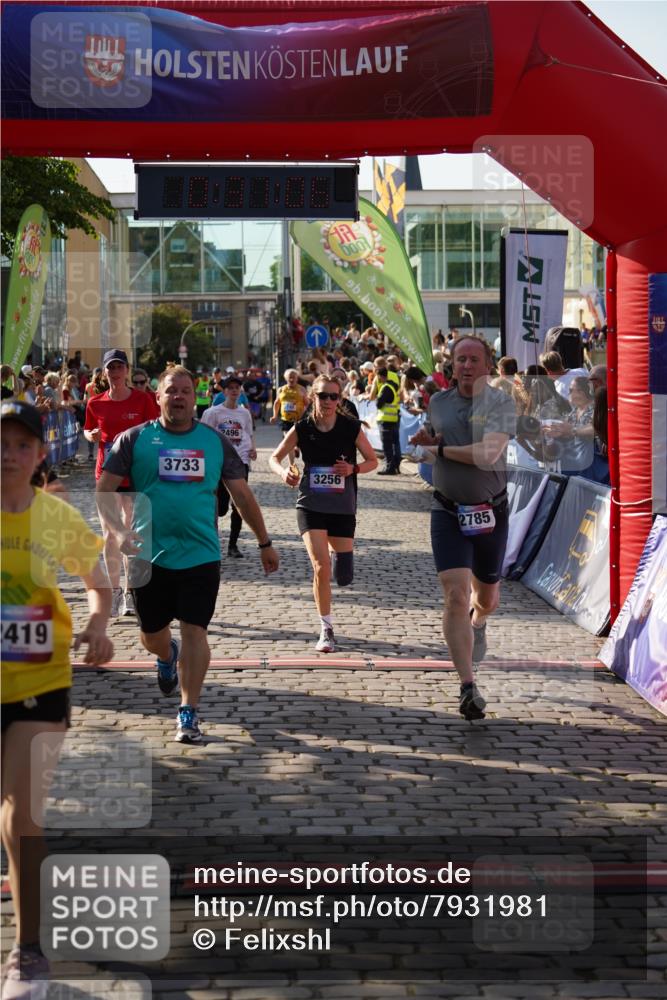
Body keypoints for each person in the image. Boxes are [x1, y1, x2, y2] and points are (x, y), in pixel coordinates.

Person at [96, 365, 279, 744]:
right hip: (147, 556)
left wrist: (264, 542)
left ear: (194, 397)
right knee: (151, 635)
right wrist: (119, 531)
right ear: (158, 397)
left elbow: (242, 495)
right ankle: (166, 655)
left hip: (201, 553)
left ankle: (189, 709)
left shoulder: (214, 442)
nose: (178, 397)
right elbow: (104, 490)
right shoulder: (134, 440)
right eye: (170, 391)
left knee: (196, 630)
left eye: (185, 390)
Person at [1, 400, 113, 998]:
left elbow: (99, 585)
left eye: (22, 445)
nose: (9, 454)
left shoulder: (56, 519)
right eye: (1, 442)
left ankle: (27, 951)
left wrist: (98, 625)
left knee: (22, 815)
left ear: (42, 454)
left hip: (38, 680)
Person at [409, 335, 516, 721]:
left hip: (491, 512)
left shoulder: (501, 402)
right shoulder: (438, 402)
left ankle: (480, 621)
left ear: (488, 364)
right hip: (447, 511)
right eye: (460, 360)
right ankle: (468, 687)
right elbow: (434, 442)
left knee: (486, 599)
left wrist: (438, 450)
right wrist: (428, 442)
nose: (467, 366)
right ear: (450, 366)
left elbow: (489, 455)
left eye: (474, 359)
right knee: (455, 595)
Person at [269, 375, 377, 653]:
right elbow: (274, 457)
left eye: (333, 396)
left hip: (342, 507)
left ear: (339, 399)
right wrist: (284, 473)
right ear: (312, 398)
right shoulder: (302, 428)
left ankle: (335, 555)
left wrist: (353, 469)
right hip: (311, 504)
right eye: (322, 396)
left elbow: (373, 460)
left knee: (344, 575)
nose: (328, 401)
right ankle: (326, 628)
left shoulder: (350, 427)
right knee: (321, 567)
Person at [84, 349, 158, 616]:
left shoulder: (144, 400)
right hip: (106, 474)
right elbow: (89, 428)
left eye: (119, 368)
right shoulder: (95, 403)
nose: (115, 373)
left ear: (127, 370)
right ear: (104, 372)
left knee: (130, 533)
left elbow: (153, 431)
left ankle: (130, 592)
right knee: (110, 534)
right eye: (110, 368)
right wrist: (90, 436)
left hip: (135, 474)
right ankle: (114, 592)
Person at [201, 374, 257, 558]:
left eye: (237, 388)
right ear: (224, 391)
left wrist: (253, 449)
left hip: (240, 462)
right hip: (219, 463)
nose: (234, 391)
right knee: (221, 507)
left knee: (239, 504)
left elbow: (248, 433)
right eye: (230, 388)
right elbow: (204, 436)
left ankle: (233, 545)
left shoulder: (244, 412)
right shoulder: (213, 413)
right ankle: (211, 539)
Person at [271, 369, 309, 464]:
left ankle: (297, 447)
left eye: (294, 377)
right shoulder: (281, 389)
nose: (291, 379)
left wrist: (307, 415)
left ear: (297, 378)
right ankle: (291, 465)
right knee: (288, 441)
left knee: (299, 440)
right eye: (289, 377)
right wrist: (275, 416)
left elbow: (307, 404)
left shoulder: (301, 389)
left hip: (299, 419)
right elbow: (277, 403)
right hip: (286, 420)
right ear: (286, 378)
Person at [374, 367, 402, 475]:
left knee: (387, 445)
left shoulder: (386, 387)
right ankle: (394, 466)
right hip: (392, 419)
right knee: (394, 443)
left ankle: (389, 468)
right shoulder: (393, 386)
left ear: (381, 376)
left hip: (385, 420)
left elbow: (378, 404)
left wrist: (377, 398)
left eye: (378, 377)